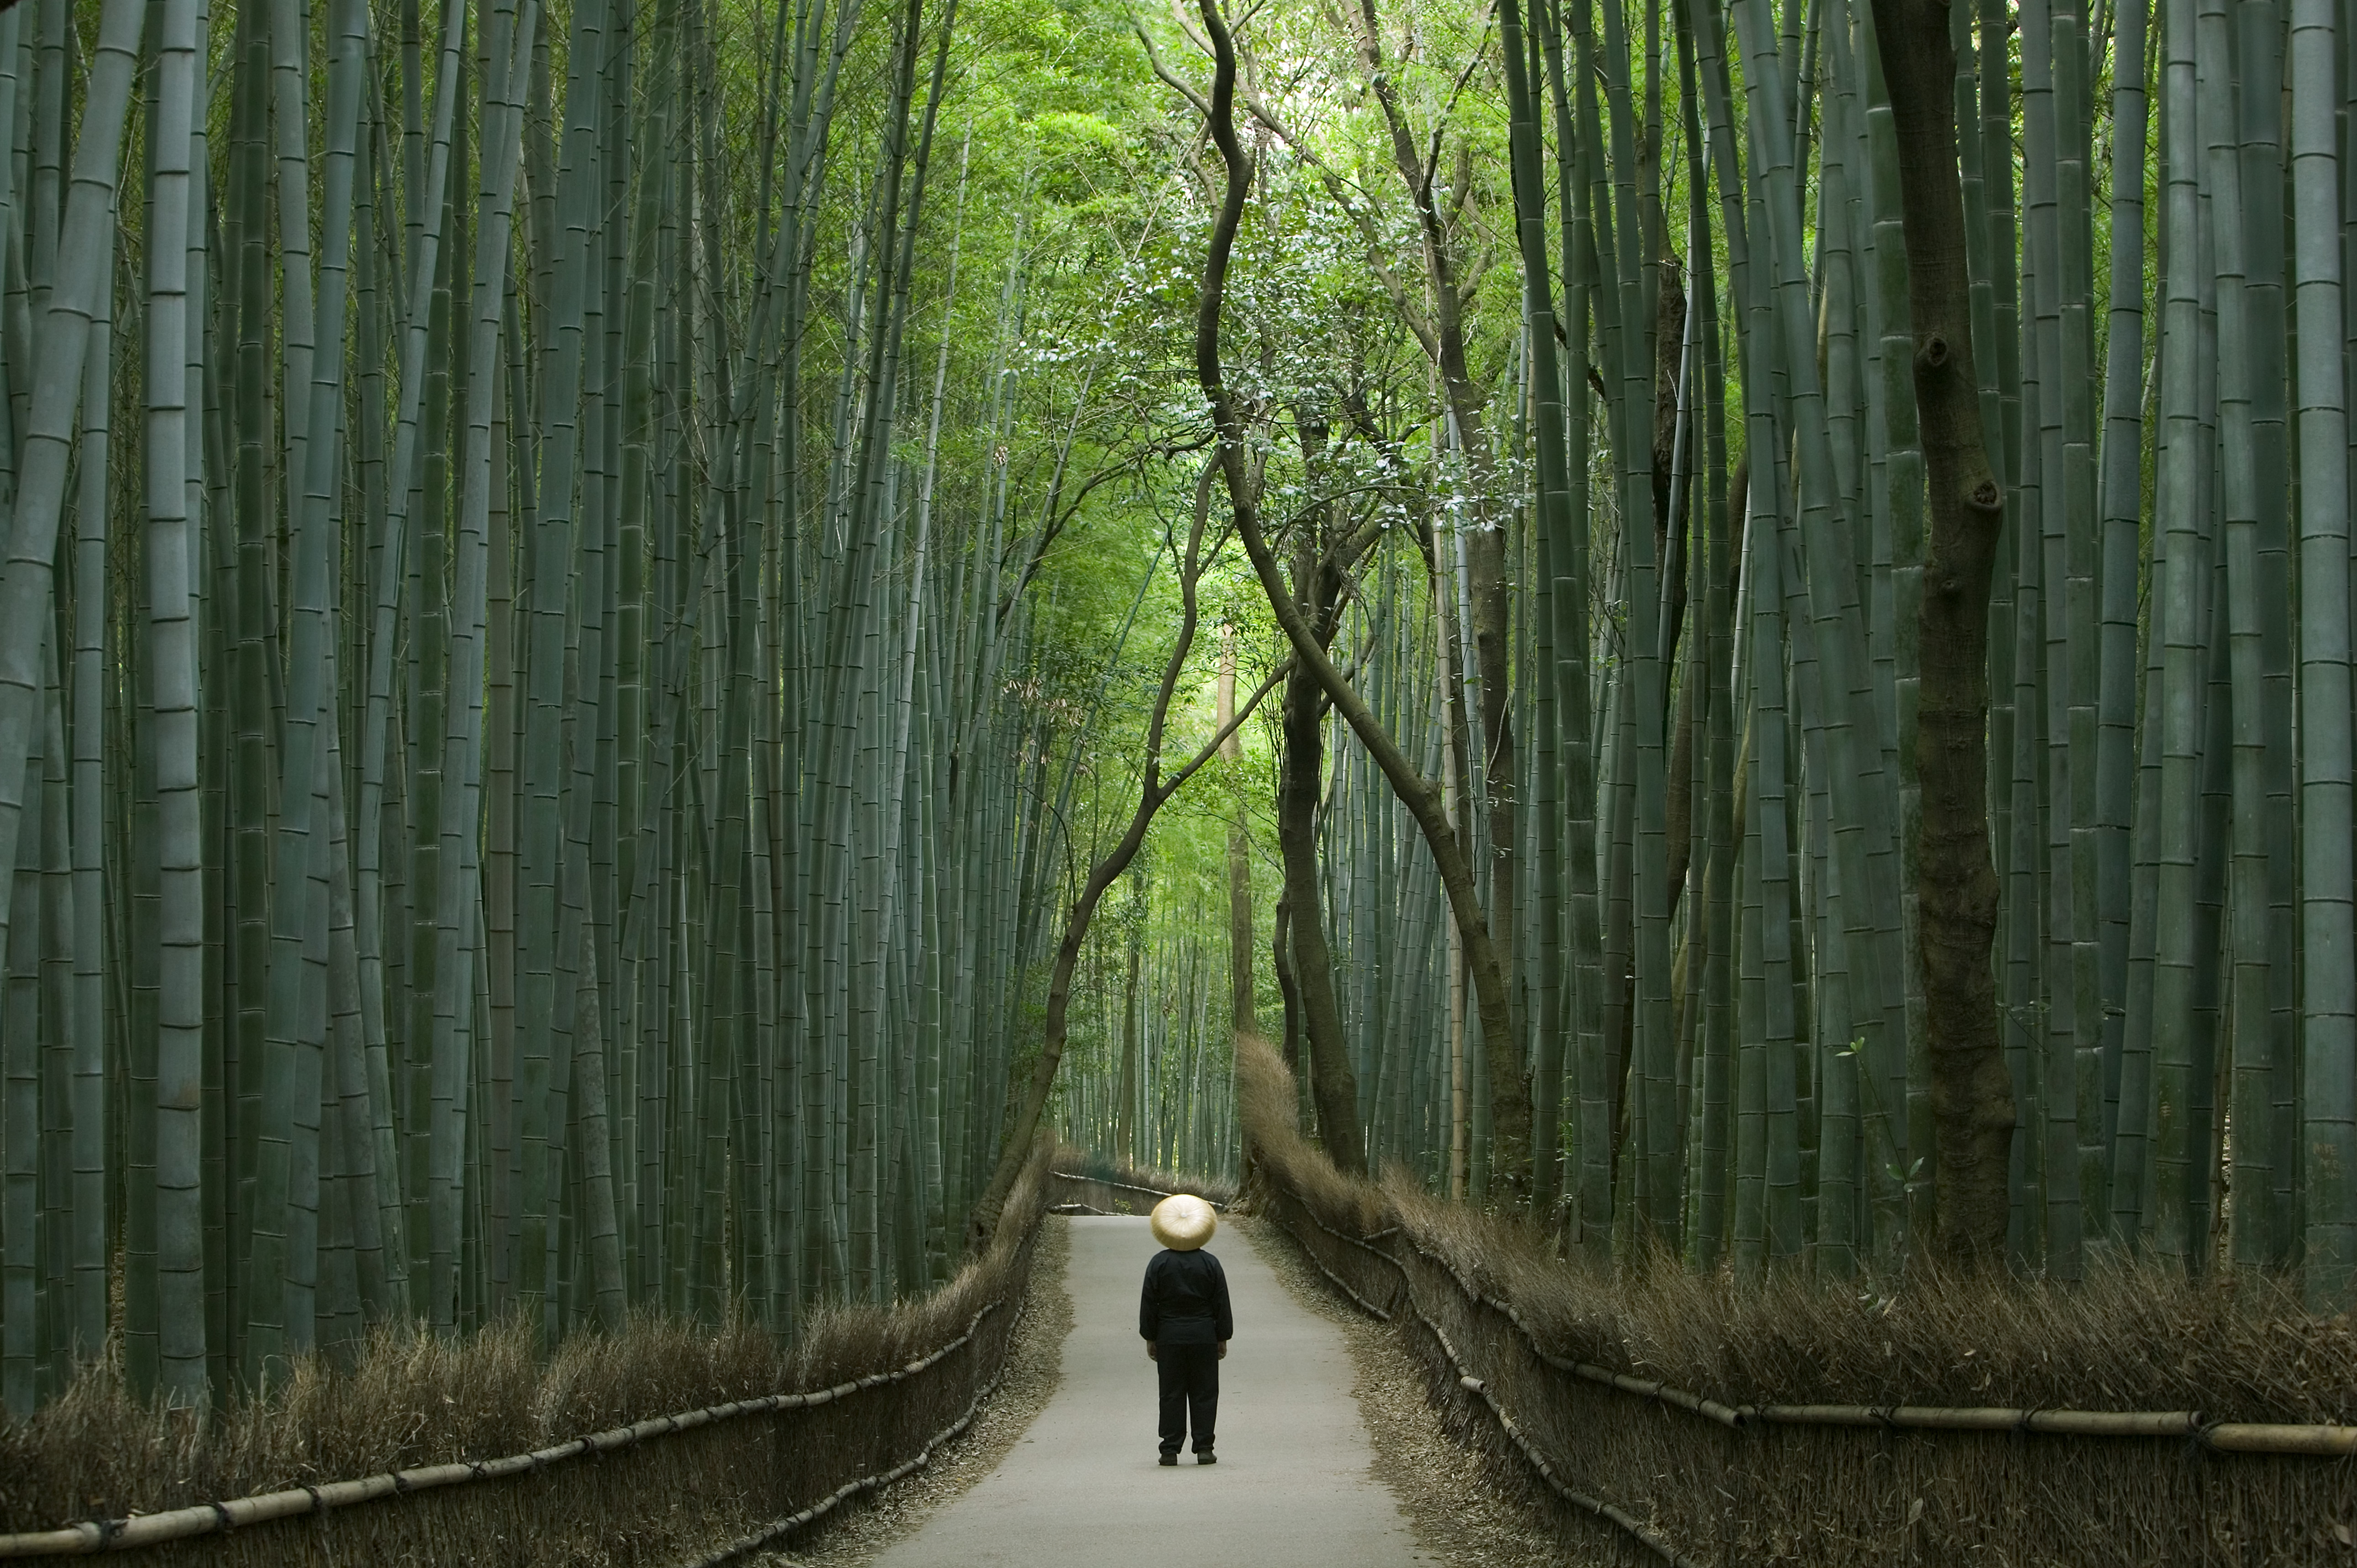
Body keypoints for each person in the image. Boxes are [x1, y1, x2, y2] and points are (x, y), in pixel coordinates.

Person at [1139, 1193, 1231, 1467]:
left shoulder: (1159, 1263)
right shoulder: (1210, 1263)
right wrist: (1222, 1336)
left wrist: (1151, 1336)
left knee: (1171, 1392)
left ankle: (1170, 1449)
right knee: (1204, 1391)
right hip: (1204, 1334)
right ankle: (1204, 1447)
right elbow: (1221, 1302)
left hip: (1170, 1335)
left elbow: (1149, 1302)